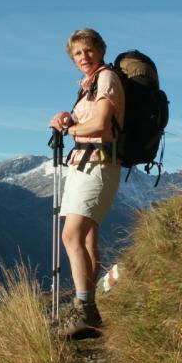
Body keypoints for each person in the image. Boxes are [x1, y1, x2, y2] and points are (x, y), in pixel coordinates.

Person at [49, 28, 125, 339]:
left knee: (71, 237)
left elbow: (101, 123)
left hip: (98, 165)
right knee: (88, 241)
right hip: (85, 164)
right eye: (78, 53)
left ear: (101, 50)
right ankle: (88, 312)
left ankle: (85, 311)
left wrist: (69, 130)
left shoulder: (106, 78)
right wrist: (68, 119)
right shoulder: (88, 84)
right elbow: (89, 122)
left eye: (89, 50)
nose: (84, 57)